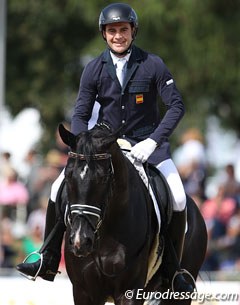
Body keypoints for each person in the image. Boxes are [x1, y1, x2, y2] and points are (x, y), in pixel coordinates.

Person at [16, 3, 193, 292]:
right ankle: (46, 257)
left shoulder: (152, 64)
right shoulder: (94, 68)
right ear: (104, 34)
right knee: (57, 187)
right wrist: (84, 145)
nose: (118, 36)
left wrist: (153, 141)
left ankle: (174, 271)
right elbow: (81, 113)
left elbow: (176, 106)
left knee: (177, 197)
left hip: (147, 145)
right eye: (112, 31)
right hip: (103, 146)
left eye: (123, 30)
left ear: (133, 31)